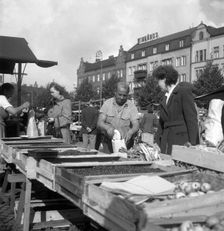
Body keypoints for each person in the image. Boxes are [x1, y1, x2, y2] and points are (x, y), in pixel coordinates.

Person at [153, 65, 199, 154]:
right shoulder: (164, 98)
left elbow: (191, 120)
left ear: (164, 79)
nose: (157, 84)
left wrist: (193, 144)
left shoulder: (183, 92)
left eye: (158, 80)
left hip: (181, 141)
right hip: (166, 142)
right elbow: (161, 125)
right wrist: (157, 142)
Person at [97, 81, 139, 153]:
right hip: (108, 144)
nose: (122, 97)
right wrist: (107, 128)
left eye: (124, 95)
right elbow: (99, 123)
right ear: (115, 92)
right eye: (120, 95)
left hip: (125, 145)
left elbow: (136, 125)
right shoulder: (107, 104)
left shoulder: (131, 106)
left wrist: (131, 132)